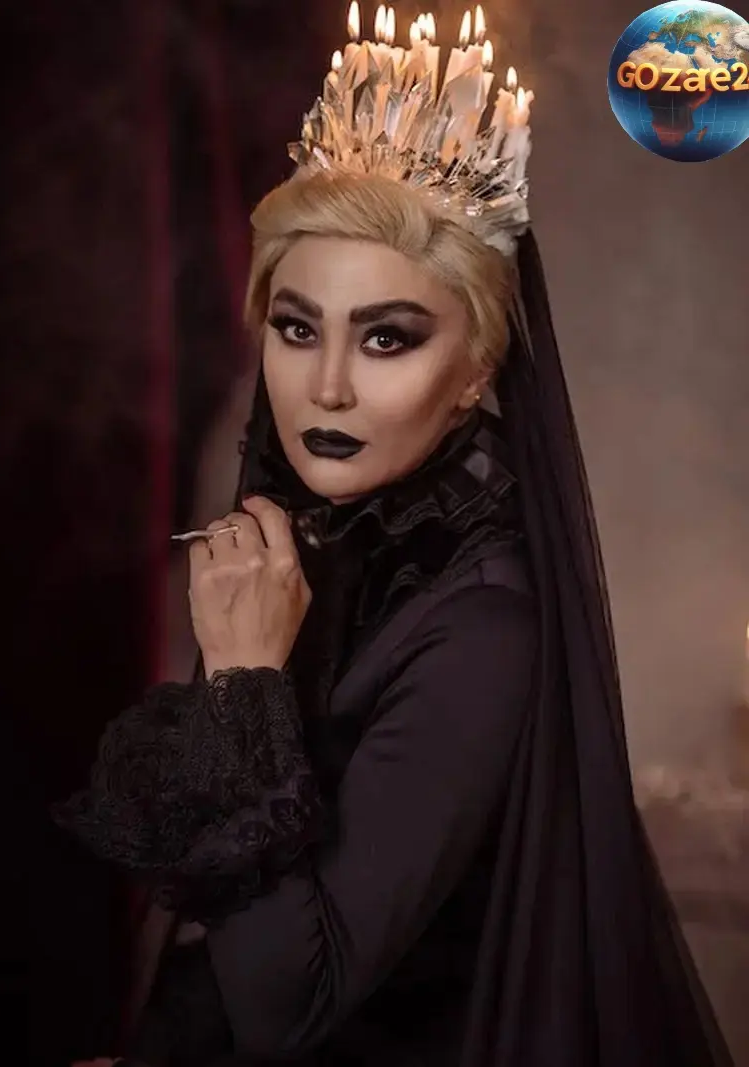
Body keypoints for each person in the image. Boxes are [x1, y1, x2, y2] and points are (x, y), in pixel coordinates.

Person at [56, 35, 734, 1067]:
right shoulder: (328, 551)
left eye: (386, 338)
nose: (327, 386)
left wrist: (242, 677)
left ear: (476, 370)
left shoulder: (482, 622)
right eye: (297, 329)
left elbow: (290, 1008)